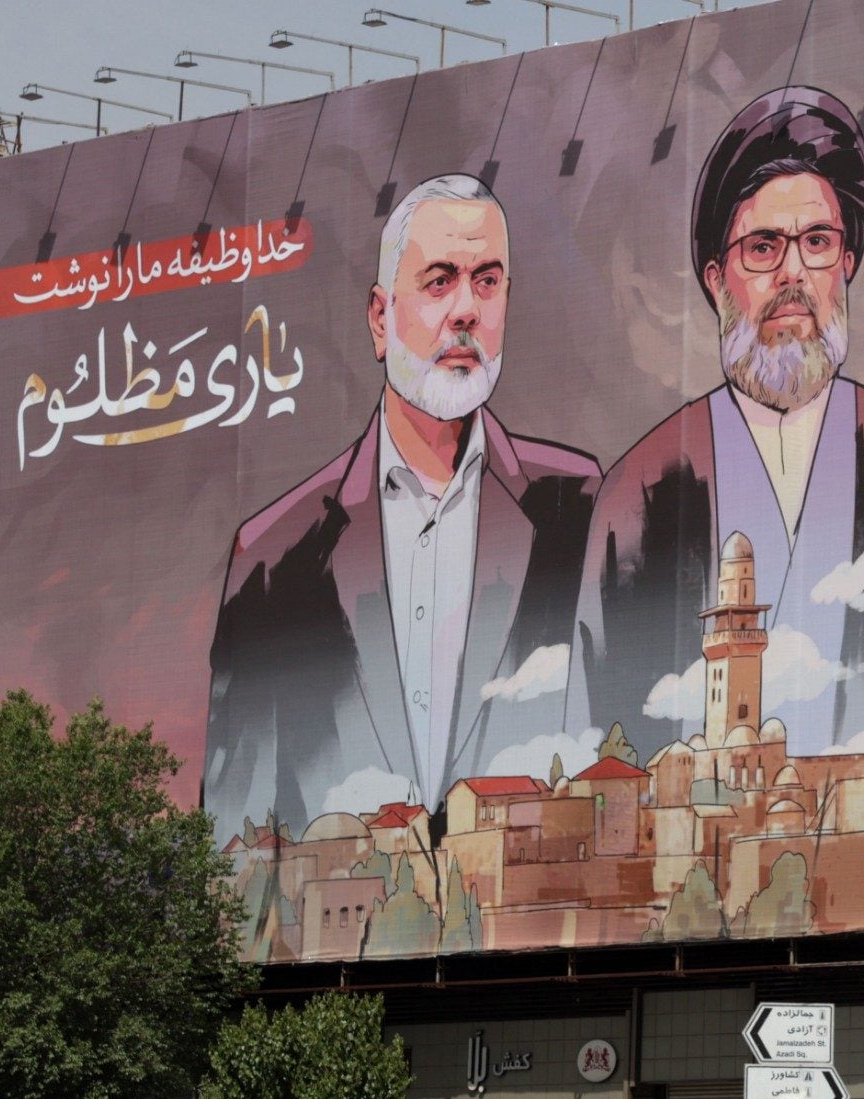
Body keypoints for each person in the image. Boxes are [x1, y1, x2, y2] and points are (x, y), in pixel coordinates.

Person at [205, 173, 602, 840]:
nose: (467, 311)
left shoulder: (579, 508)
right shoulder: (276, 555)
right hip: (340, 932)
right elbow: (233, 843)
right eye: (440, 280)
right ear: (380, 318)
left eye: (488, 282)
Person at [570, 86, 864, 764]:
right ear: (716, 280)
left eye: (816, 242)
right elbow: (601, 741)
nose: (793, 274)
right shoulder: (640, 490)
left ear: (848, 266)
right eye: (763, 248)